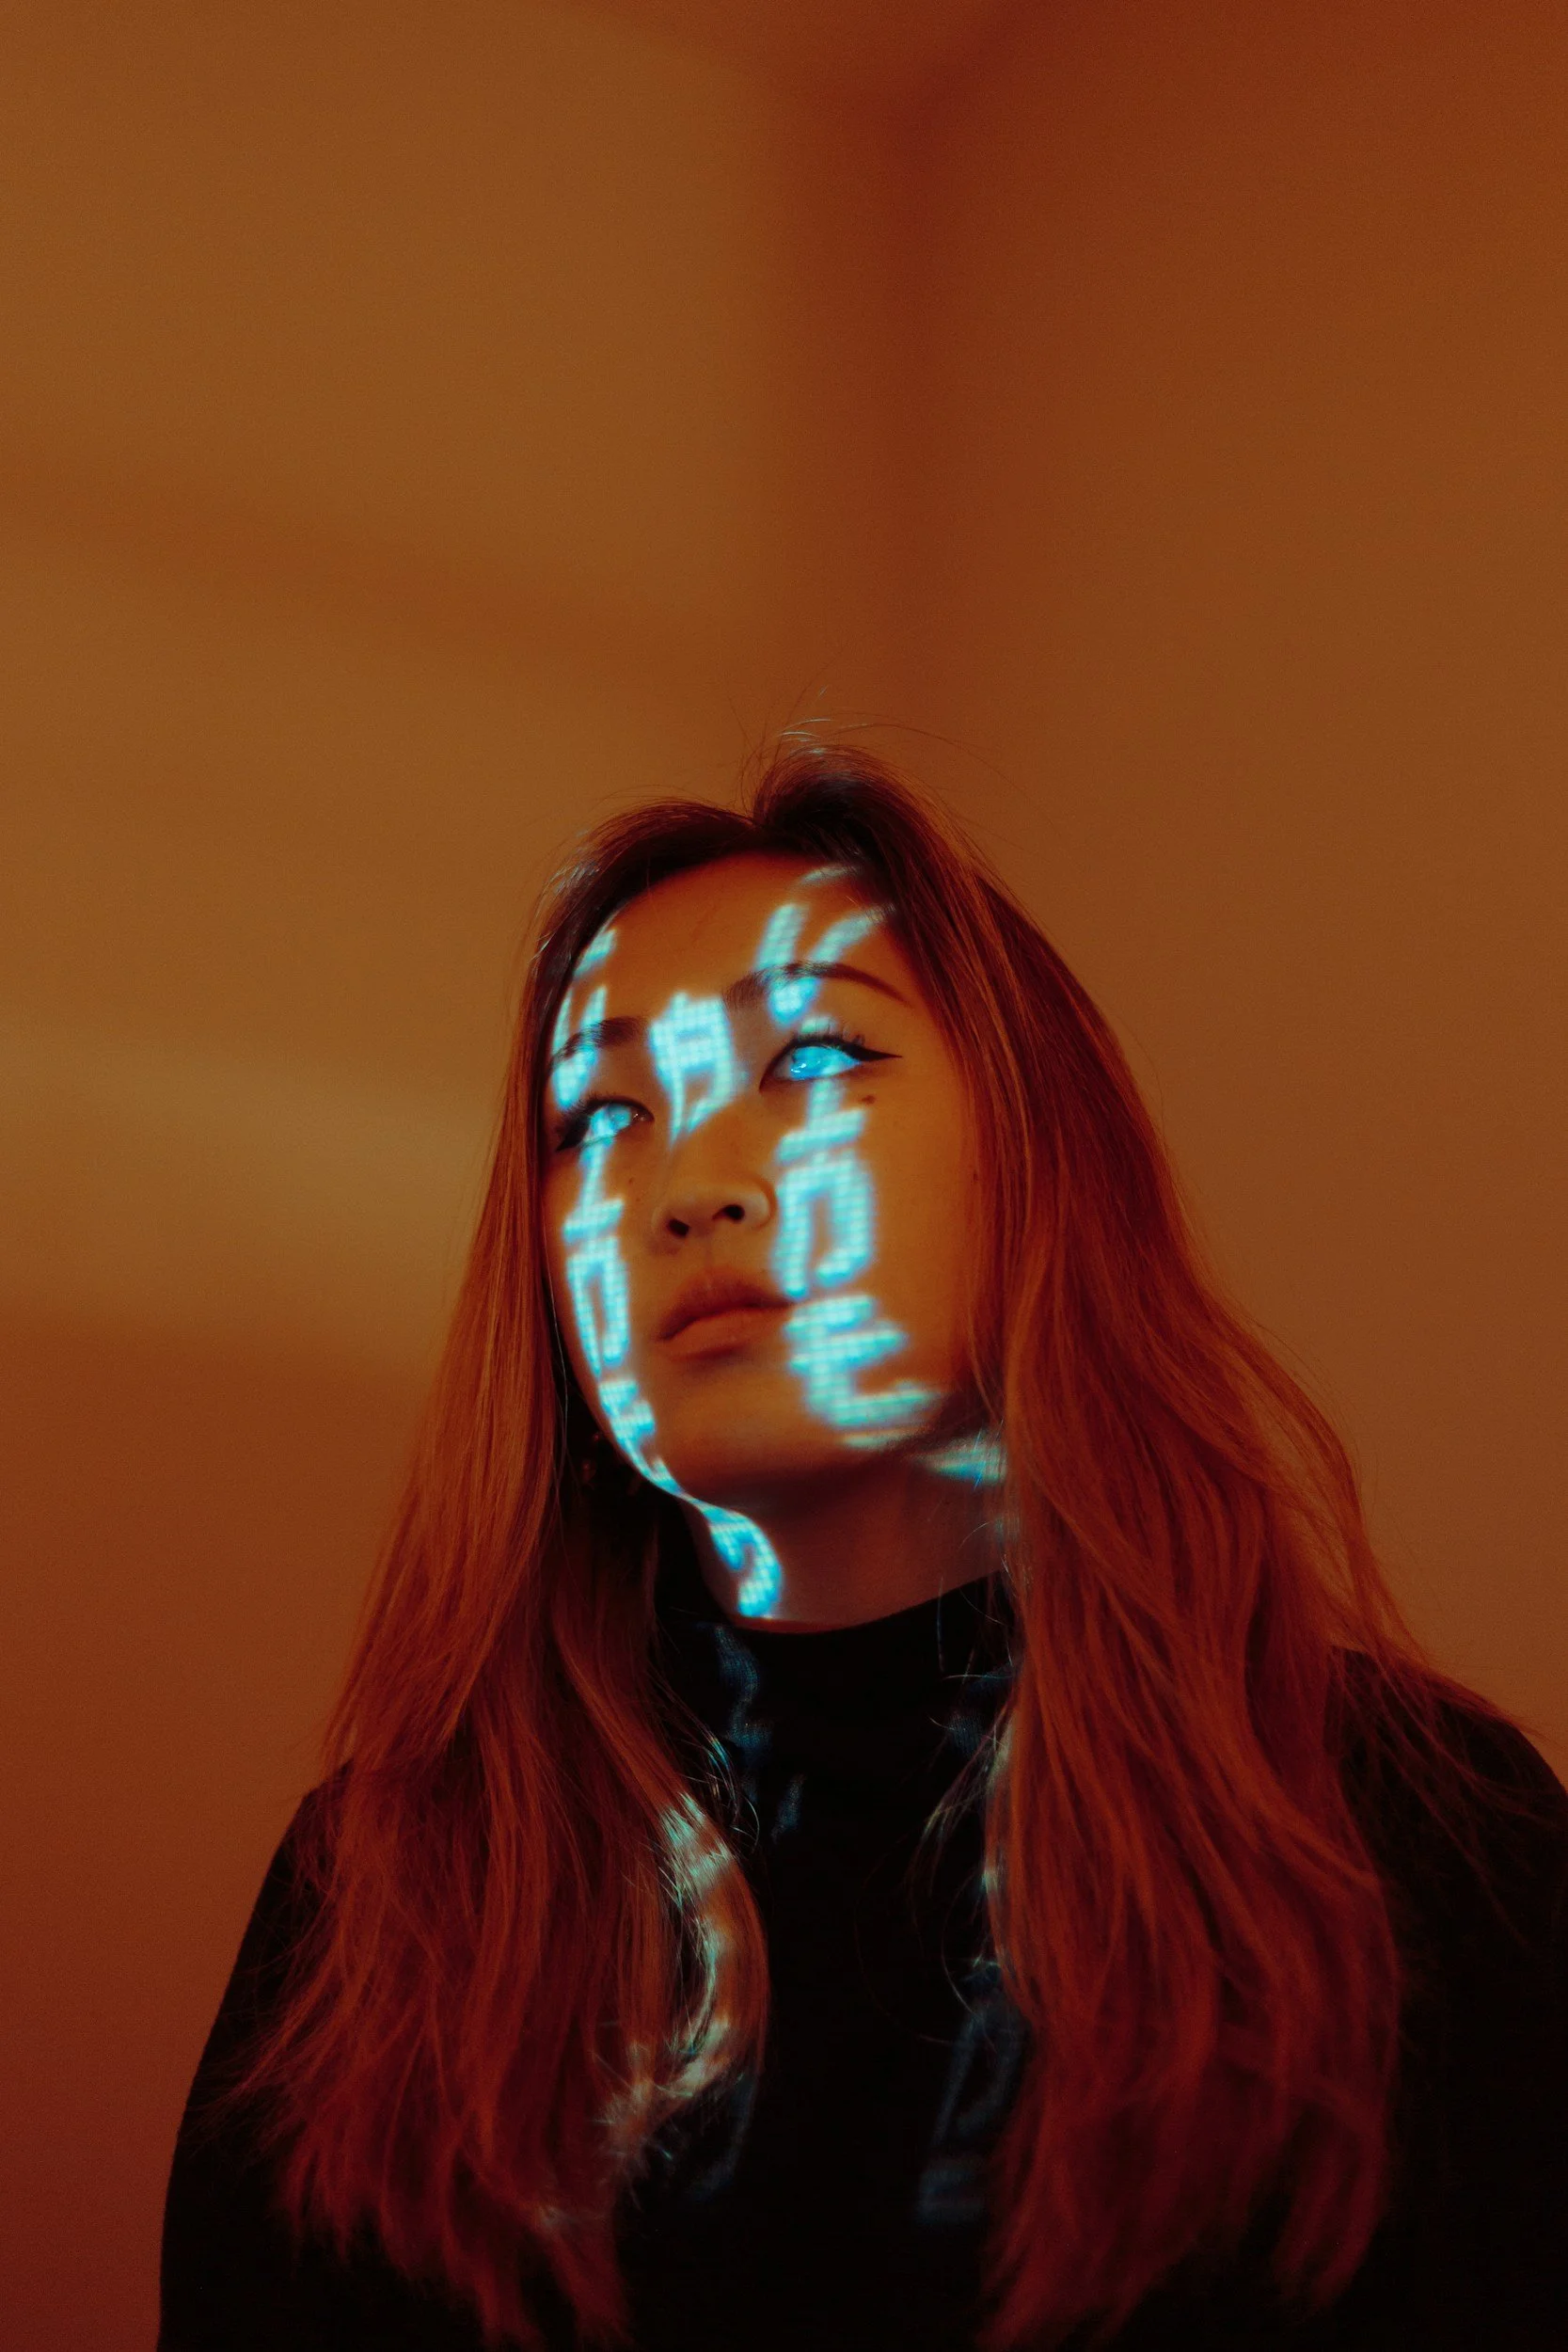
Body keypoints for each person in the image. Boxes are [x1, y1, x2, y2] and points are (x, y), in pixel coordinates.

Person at [160, 742, 1567, 2351]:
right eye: (601, 1116)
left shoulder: (1415, 1850)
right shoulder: (384, 1902)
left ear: (1036, 1164)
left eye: (816, 1059)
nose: (688, 1188)